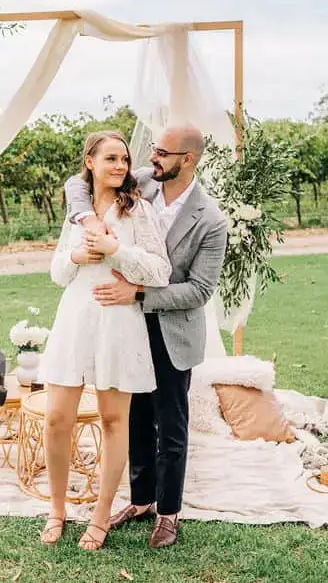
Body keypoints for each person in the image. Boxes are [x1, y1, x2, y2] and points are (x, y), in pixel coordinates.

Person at [63, 123, 228, 549]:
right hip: (129, 325)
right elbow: (76, 184)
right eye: (153, 149)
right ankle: (139, 499)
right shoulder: (144, 188)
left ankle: (168, 512)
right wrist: (84, 220)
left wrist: (137, 291)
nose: (151, 158)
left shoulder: (211, 219)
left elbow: (199, 290)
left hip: (172, 329)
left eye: (162, 153)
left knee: (170, 424)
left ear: (186, 160)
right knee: (133, 417)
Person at [37, 130, 171, 551]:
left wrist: (117, 251)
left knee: (115, 422)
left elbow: (160, 271)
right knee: (57, 419)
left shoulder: (139, 211)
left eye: (124, 160)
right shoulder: (77, 214)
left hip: (117, 323)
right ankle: (56, 510)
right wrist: (75, 256)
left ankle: (99, 517)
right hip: (76, 320)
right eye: (110, 158)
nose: (119, 166)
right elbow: (57, 272)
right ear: (90, 163)